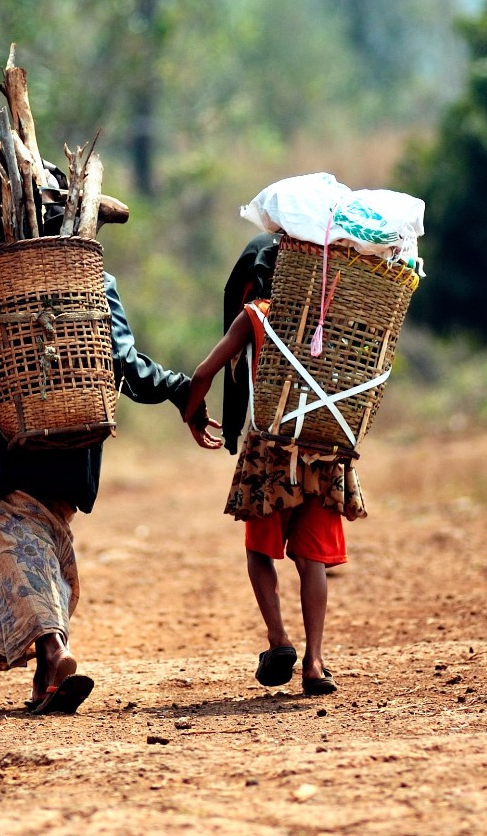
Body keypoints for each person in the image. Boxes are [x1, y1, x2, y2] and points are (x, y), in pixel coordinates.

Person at [0, 261, 205, 715]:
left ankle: (52, 649)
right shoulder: (93, 279)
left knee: (19, 548)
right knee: (41, 549)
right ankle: (47, 680)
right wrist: (180, 390)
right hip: (70, 439)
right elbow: (123, 363)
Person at [181, 232, 361, 698]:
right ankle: (316, 663)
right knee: (313, 558)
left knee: (260, 549)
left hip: (271, 453)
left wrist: (192, 412)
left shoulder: (256, 316)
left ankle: (279, 638)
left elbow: (204, 373)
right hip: (323, 449)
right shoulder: (333, 317)